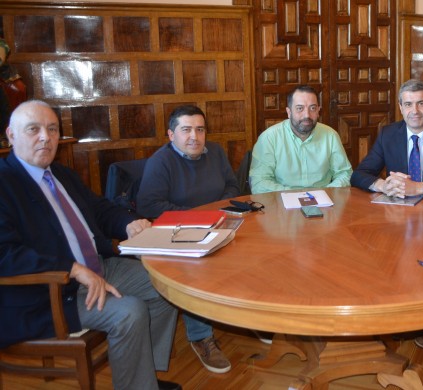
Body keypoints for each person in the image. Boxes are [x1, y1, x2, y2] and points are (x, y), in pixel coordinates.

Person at [0, 100, 181, 390]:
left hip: (99, 267)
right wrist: (70, 268)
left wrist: (127, 223)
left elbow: (100, 209)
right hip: (50, 293)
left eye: (52, 129)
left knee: (168, 283)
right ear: (11, 135)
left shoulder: (60, 174)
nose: (45, 137)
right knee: (130, 312)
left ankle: (145, 376)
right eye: (33, 129)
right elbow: (4, 254)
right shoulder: (5, 182)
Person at [137, 104, 238, 374]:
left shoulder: (215, 152)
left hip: (216, 223)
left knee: (251, 252)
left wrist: (217, 214)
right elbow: (149, 205)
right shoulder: (161, 162)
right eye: (186, 130)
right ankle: (200, 336)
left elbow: (233, 186)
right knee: (196, 271)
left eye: (200, 129)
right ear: (172, 135)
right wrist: (199, 216)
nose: (194, 136)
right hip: (177, 233)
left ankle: (246, 317)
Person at [249, 85, 352, 194]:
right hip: (281, 203)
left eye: (312, 108)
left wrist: (324, 193)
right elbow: (259, 182)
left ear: (318, 111)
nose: (307, 115)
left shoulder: (330, 135)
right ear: (289, 112)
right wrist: (296, 196)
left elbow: (344, 174)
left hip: (323, 202)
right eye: (299, 108)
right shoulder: (269, 138)